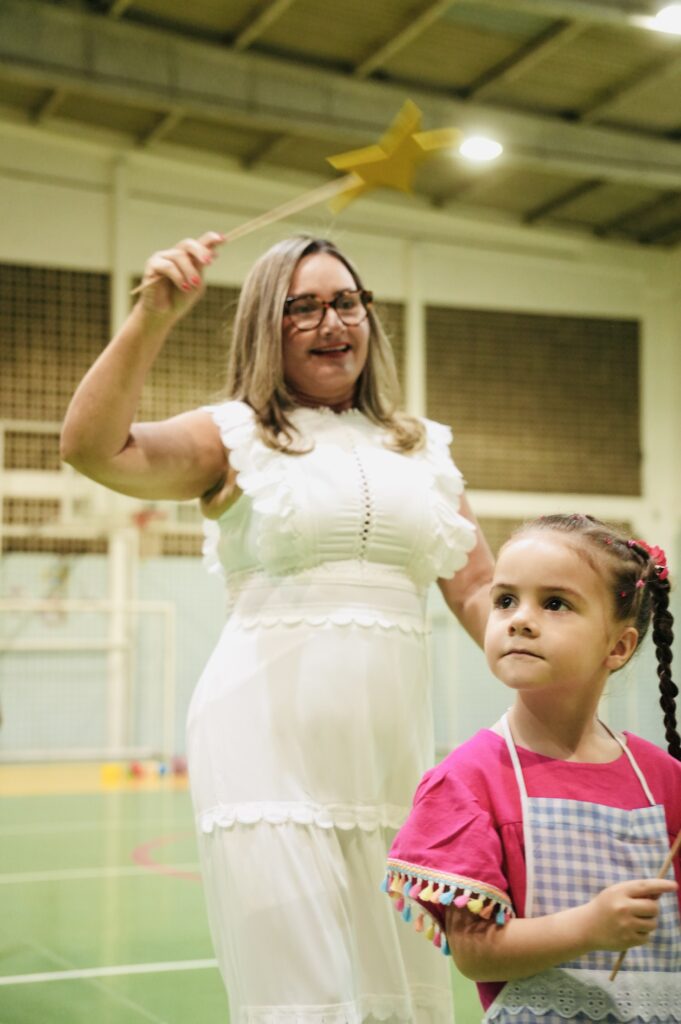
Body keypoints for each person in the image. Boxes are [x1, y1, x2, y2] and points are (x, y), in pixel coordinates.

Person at [60, 231, 494, 1022]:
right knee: (305, 1000)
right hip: (263, 760)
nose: (332, 321)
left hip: (389, 767)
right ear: (266, 324)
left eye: (346, 302)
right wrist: (154, 316)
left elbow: (481, 593)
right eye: (303, 308)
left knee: (403, 998)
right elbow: (92, 448)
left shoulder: (422, 449)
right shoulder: (233, 436)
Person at [384, 513, 681, 1023]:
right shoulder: (469, 780)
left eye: (555, 603)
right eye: (505, 600)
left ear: (618, 646)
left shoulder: (663, 779)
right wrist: (589, 928)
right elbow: (475, 954)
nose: (519, 619)